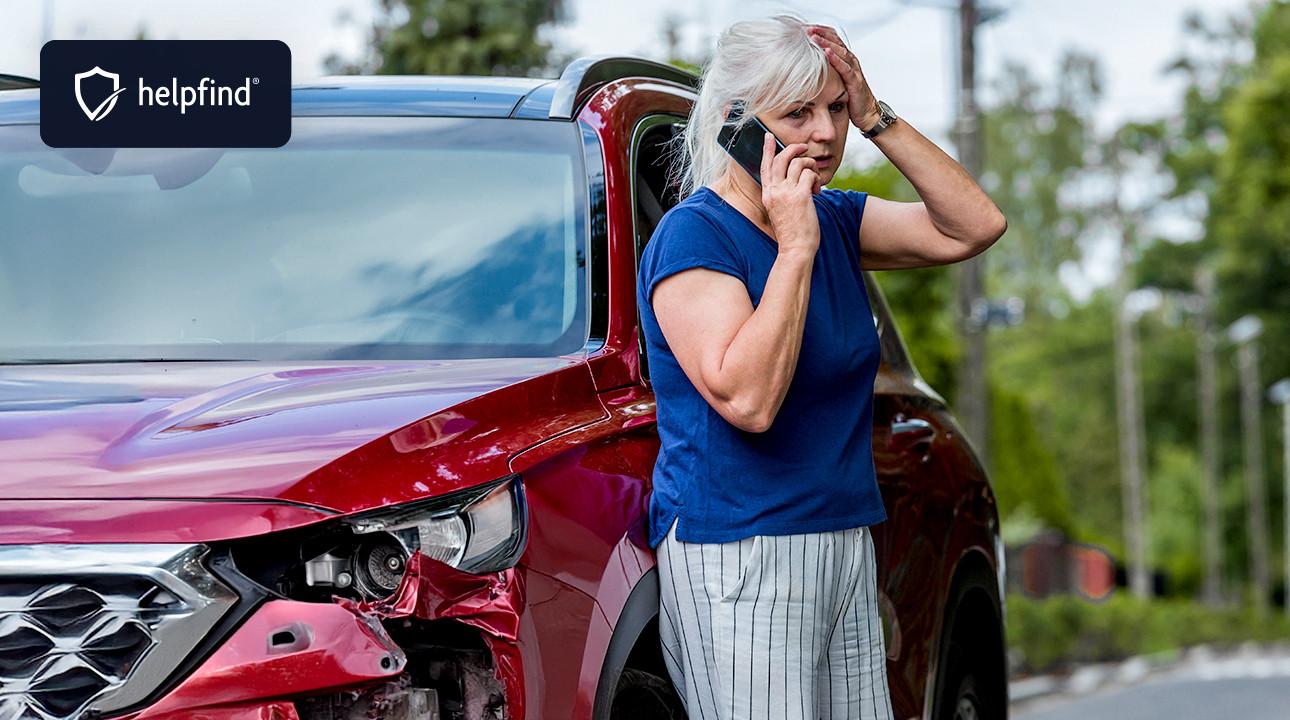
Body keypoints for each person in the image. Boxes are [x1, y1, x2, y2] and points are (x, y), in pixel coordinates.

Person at [635, 14, 1007, 720]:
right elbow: (748, 400)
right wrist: (794, 250)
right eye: (798, 112)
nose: (827, 133)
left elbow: (974, 225)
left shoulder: (833, 218)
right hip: (744, 553)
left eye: (835, 109)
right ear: (736, 124)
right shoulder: (696, 237)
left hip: (842, 542)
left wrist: (877, 116)